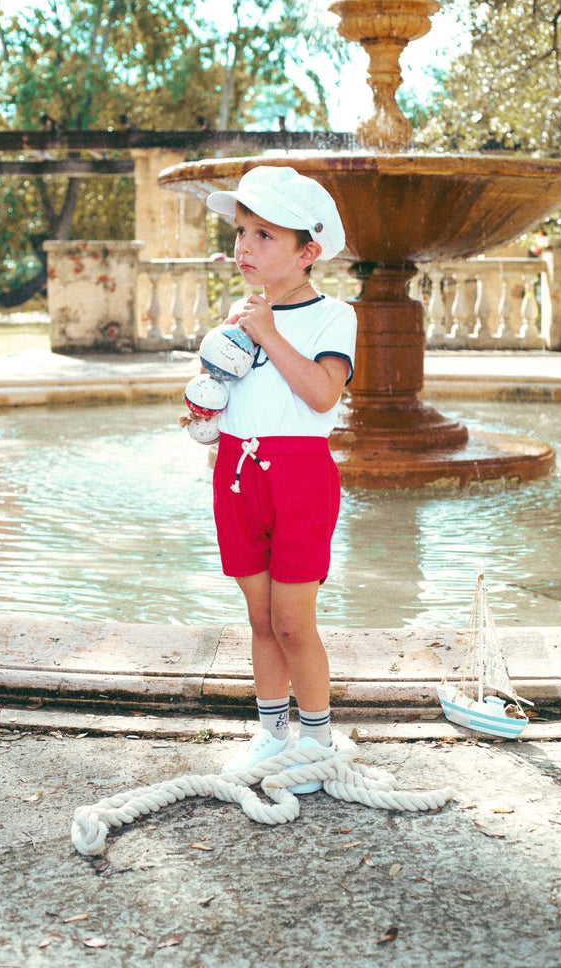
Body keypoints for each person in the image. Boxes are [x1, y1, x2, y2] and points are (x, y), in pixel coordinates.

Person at [204, 165, 357, 791]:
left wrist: (267, 332)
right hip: (237, 474)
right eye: (242, 231)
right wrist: (203, 408)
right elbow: (229, 394)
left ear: (307, 253)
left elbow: (322, 394)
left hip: (299, 479)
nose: (245, 245)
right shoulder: (238, 313)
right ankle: (270, 735)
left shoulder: (334, 317)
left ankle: (316, 741)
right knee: (261, 620)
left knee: (293, 622)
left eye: (264, 234)